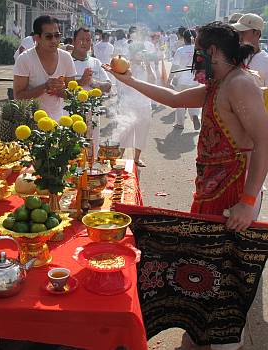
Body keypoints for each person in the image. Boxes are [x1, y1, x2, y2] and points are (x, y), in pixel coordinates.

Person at [104, 22, 268, 349]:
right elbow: (175, 99)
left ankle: (220, 341)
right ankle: (197, 336)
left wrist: (248, 201)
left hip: (233, 192)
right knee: (203, 266)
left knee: (223, 274)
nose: (194, 58)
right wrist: (129, 80)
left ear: (211, 52)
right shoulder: (220, 83)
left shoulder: (239, 84)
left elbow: (264, 142)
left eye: (197, 51)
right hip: (209, 190)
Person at [13, 15, 76, 121]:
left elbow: (73, 94)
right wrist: (45, 87)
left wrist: (60, 90)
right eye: (49, 36)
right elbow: (18, 96)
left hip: (58, 123)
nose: (54, 40)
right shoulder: (25, 59)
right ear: (37, 38)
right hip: (31, 124)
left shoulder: (66, 57)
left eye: (57, 35)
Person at [116, 29, 156, 167]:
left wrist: (149, 66)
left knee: (142, 130)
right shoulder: (125, 66)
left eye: (142, 52)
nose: (140, 55)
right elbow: (120, 84)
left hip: (144, 103)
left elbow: (153, 81)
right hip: (128, 103)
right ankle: (119, 157)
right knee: (125, 130)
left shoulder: (147, 66)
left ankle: (137, 158)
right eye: (138, 52)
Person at [72, 27, 112, 157]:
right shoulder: (65, 61)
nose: (85, 43)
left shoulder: (95, 62)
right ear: (73, 41)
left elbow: (108, 85)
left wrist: (93, 83)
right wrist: (80, 82)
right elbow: (59, 85)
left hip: (92, 114)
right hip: (70, 113)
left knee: (91, 149)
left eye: (88, 40)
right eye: (81, 39)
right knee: (72, 151)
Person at [168, 29, 201, 130]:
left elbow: (175, 66)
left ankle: (180, 123)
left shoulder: (180, 50)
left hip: (182, 80)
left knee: (181, 101)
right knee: (194, 100)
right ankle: (195, 115)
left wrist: (170, 79)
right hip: (195, 80)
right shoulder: (198, 50)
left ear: (183, 38)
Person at [232, 13, 268, 86]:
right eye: (238, 32)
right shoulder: (233, 56)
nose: (239, 36)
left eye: (243, 32)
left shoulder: (266, 61)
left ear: (257, 33)